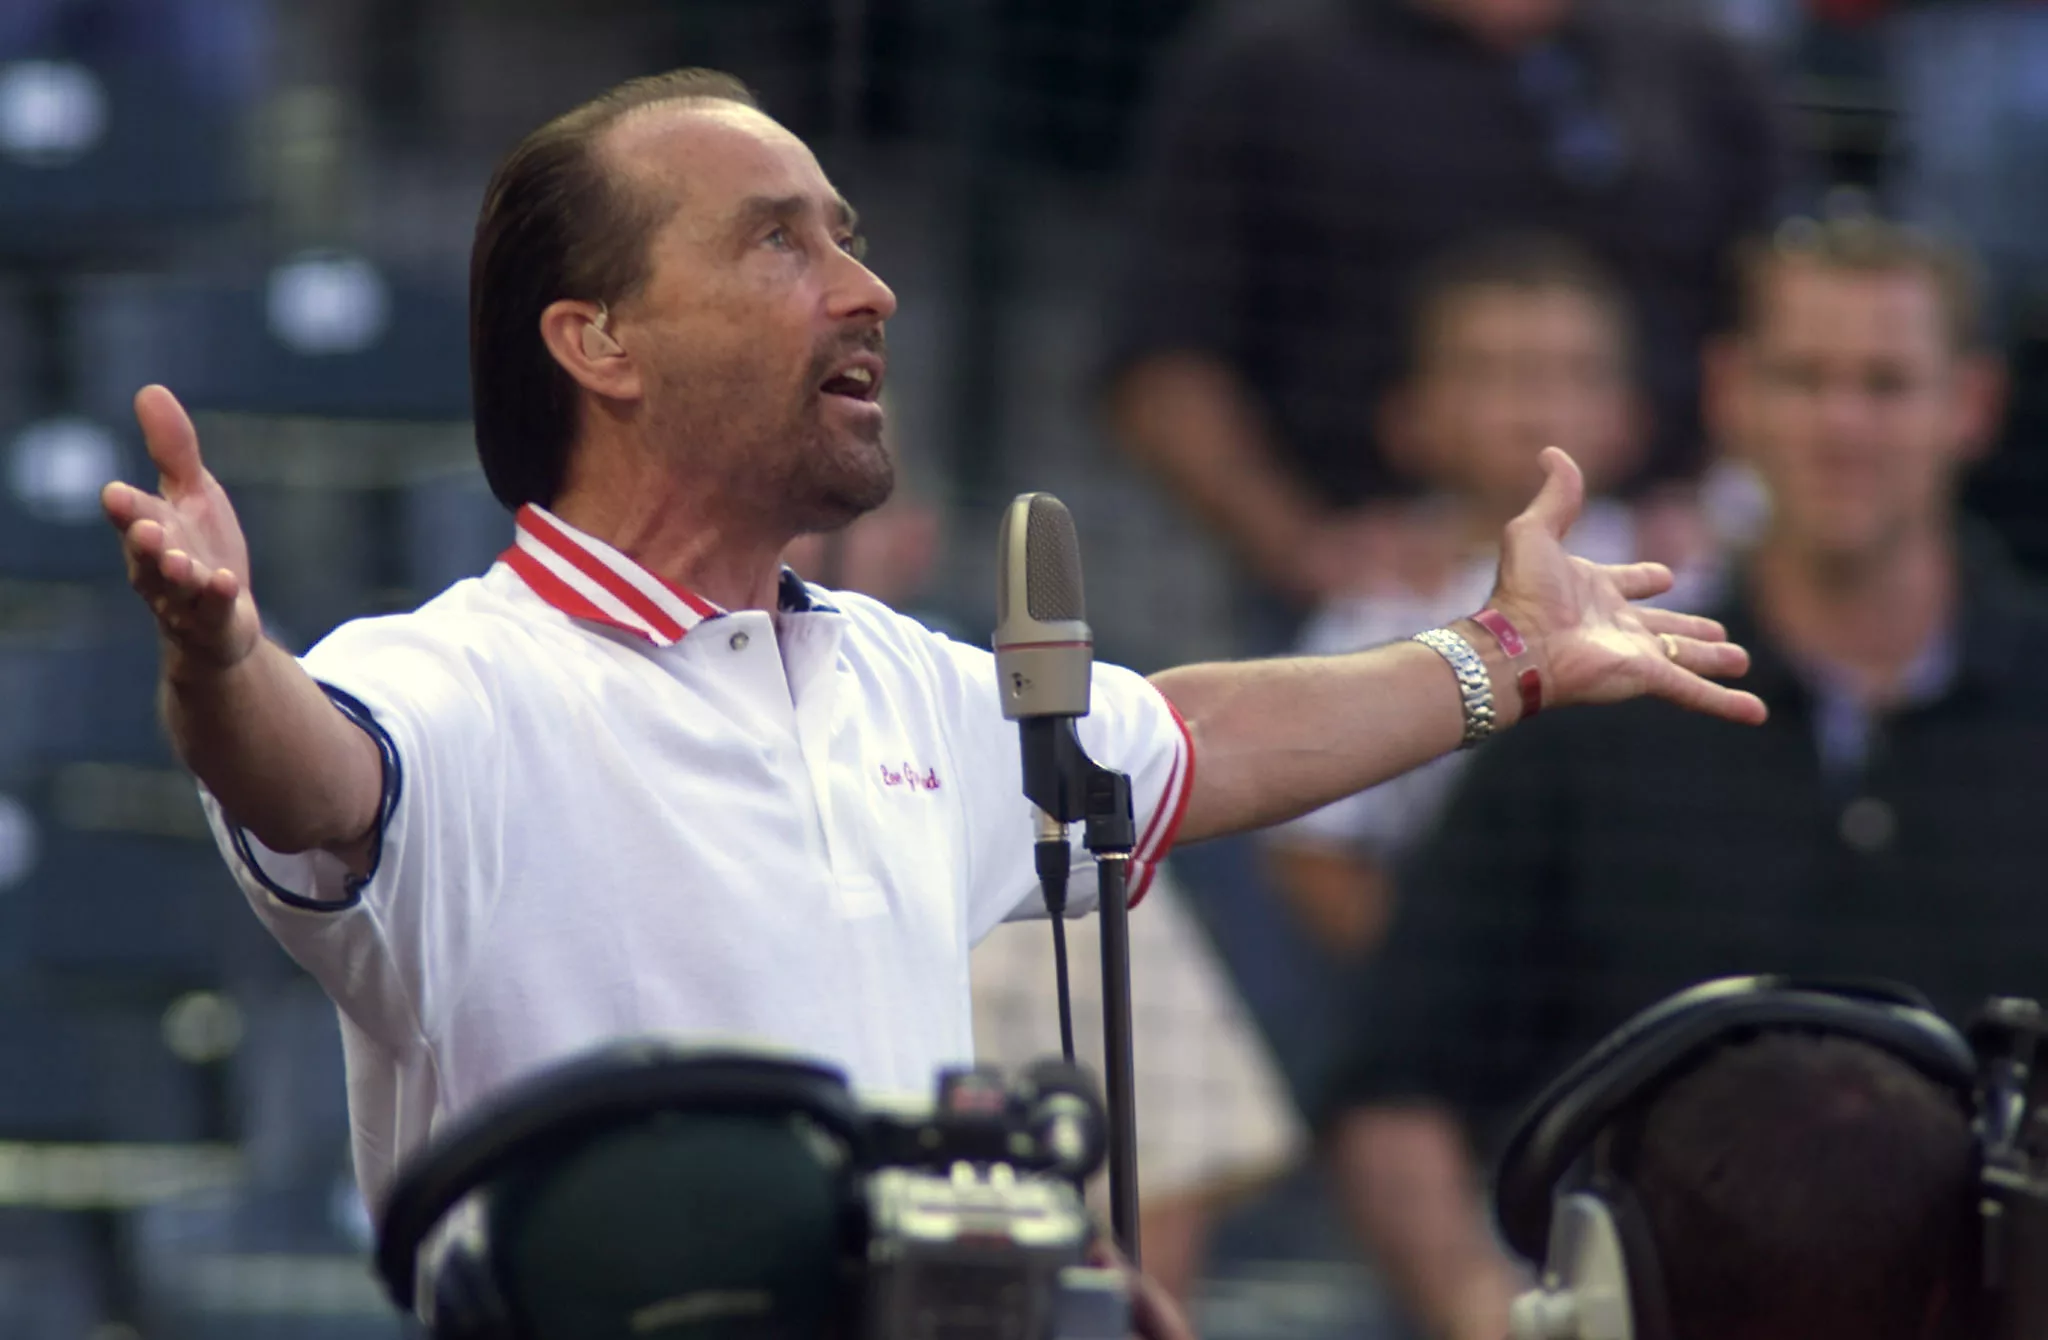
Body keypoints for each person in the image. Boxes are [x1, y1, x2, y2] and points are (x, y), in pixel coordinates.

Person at [98, 68, 1759, 1217]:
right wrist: (220, 657)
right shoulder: (453, 682)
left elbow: (1187, 737)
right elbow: (315, 778)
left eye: (852, 236)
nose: (865, 289)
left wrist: (1502, 656)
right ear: (593, 340)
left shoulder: (905, 685)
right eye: (779, 240)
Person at [1323, 214, 2027, 1340]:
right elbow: (1393, 1088)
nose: (1841, 423)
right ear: (1728, 393)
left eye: (1886, 383)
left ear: (1970, 405)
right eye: (1802, 379)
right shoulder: (1595, 709)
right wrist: (1485, 1312)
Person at [1109, 0, 1786, 611]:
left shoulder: (1696, 62)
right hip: (1367, 594)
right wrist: (1304, 550)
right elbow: (1164, 362)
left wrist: (1717, 505)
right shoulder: (1269, 63)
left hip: (1663, 576)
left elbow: (1790, 320)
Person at [1264, 232, 1718, 953]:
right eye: (1492, 372)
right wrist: (1431, 980)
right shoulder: (1374, 609)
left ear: (1631, 416)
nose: (1535, 405)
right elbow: (1319, 845)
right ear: (1409, 417)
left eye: (1574, 372)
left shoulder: (1700, 574)